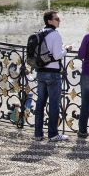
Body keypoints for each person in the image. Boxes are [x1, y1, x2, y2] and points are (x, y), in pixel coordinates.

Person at [33, 11, 71, 142]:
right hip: (53, 73)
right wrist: (67, 49)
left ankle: (38, 134)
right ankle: (53, 134)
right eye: (57, 19)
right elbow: (56, 55)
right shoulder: (55, 34)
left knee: (40, 104)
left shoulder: (40, 32)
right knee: (54, 104)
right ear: (49, 21)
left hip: (40, 72)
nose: (59, 21)